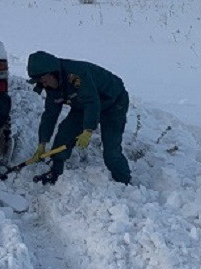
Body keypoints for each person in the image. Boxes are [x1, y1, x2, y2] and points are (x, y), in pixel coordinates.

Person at [26, 51, 131, 185]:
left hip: (113, 102)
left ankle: (124, 182)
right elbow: (50, 115)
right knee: (64, 133)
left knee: (111, 151)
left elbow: (92, 101)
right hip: (83, 104)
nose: (44, 85)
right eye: (41, 83)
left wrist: (88, 129)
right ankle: (56, 172)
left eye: (44, 81)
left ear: (53, 73)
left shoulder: (76, 75)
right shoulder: (52, 87)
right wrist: (42, 143)